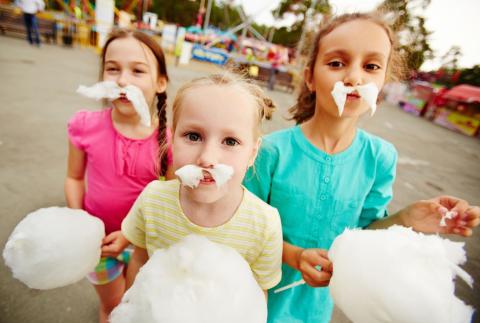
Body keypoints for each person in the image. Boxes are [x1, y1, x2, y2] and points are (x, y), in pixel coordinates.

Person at [243, 12, 480, 323]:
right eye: (337, 63)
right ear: (311, 78)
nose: (354, 77)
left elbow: (366, 234)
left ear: (382, 83)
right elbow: (245, 227)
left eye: (371, 66)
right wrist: (293, 255)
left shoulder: (381, 158)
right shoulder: (272, 151)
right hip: (254, 300)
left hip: (315, 311)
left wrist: (408, 218)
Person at [122, 72, 283, 297]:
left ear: (252, 154)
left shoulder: (264, 225)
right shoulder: (152, 199)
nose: (207, 158)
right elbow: (140, 259)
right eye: (194, 136)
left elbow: (259, 292)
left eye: (230, 141)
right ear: (173, 139)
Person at [64, 29, 173, 323]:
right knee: (112, 308)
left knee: (137, 307)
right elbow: (74, 178)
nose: (123, 80)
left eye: (138, 71)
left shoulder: (169, 143)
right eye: (113, 69)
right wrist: (79, 221)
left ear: (160, 82)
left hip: (144, 245)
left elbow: (171, 200)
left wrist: (130, 235)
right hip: (98, 244)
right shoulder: (84, 126)